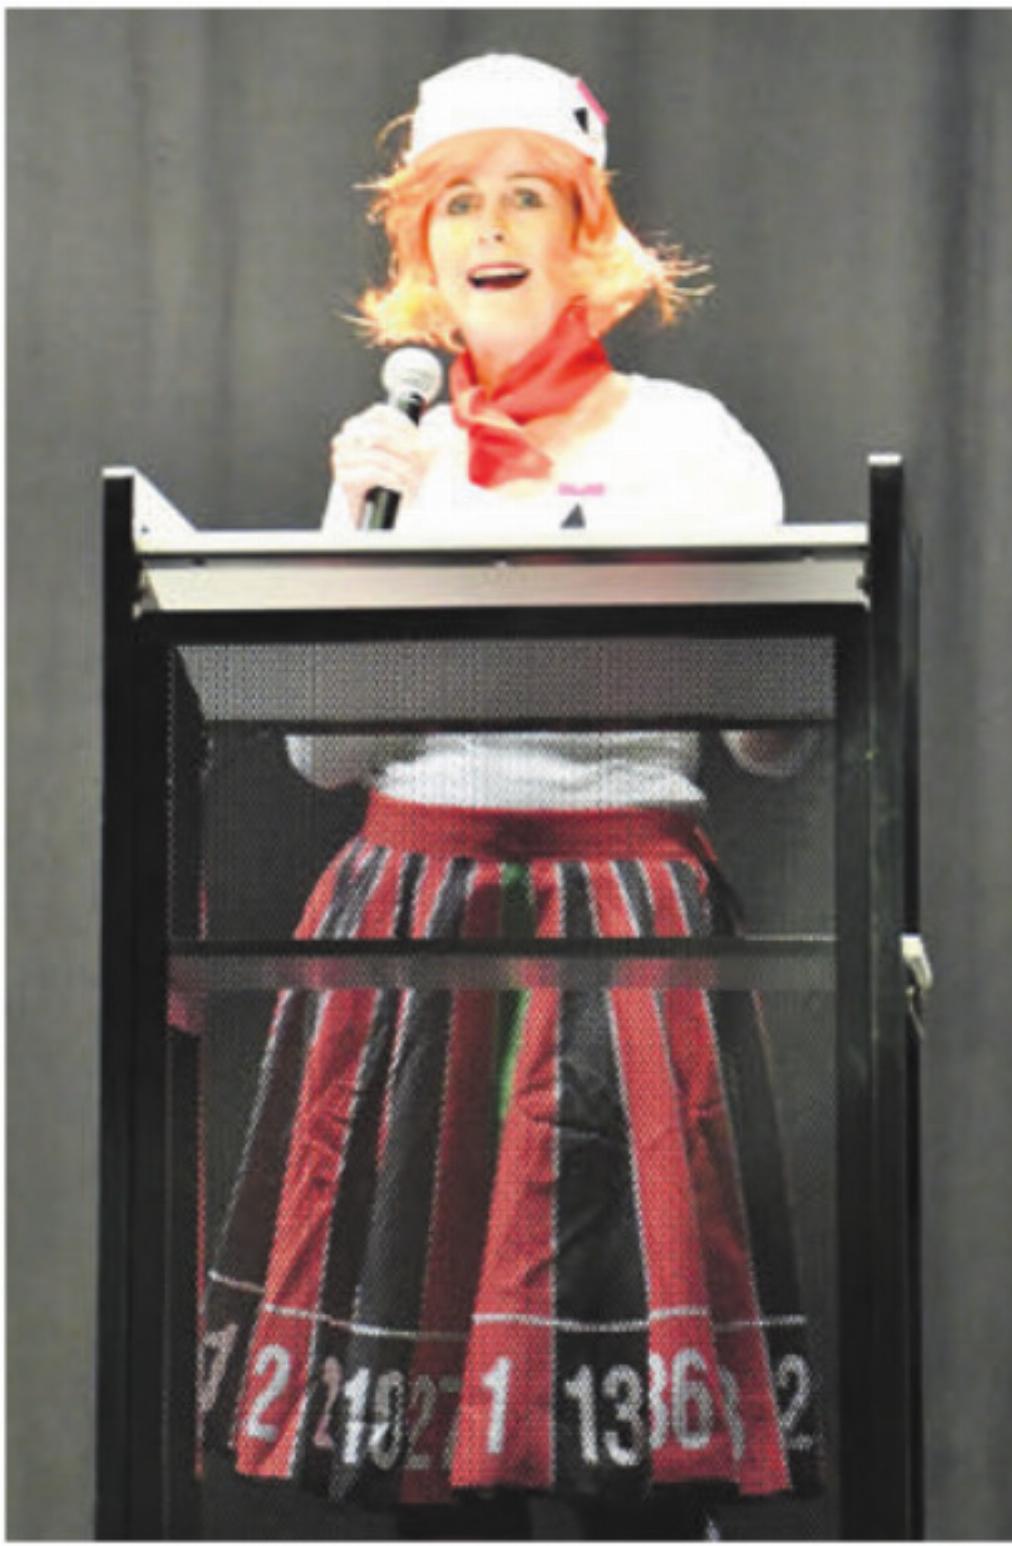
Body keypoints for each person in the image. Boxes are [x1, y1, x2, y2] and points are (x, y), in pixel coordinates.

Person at [199, 53, 819, 1541]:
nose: (489, 225)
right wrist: (364, 527)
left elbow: (772, 745)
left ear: (585, 235)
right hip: (417, 915)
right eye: (457, 200)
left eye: (527, 195)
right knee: (426, 1423)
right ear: (422, 248)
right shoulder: (392, 455)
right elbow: (323, 760)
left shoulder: (689, 440)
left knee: (628, 1431)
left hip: (627, 913)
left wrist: (702, 608)